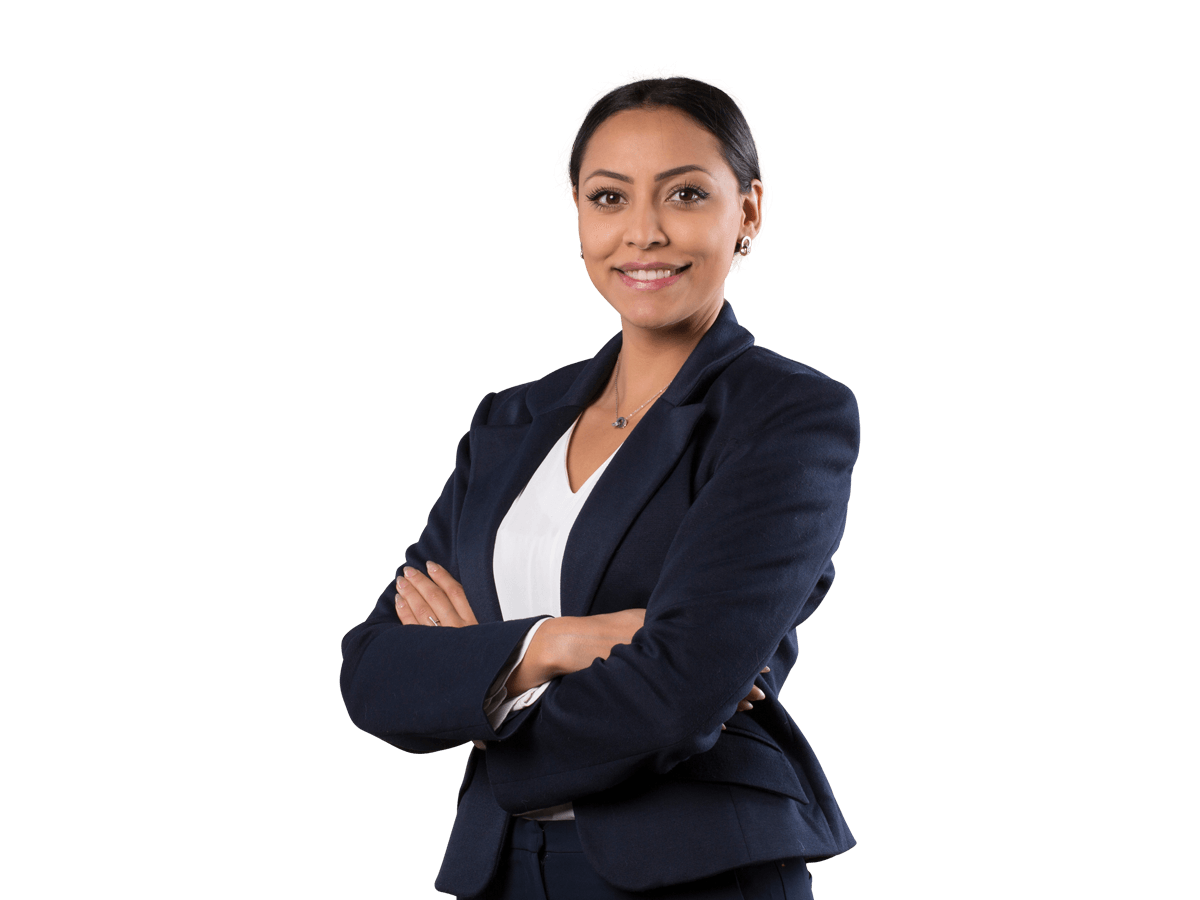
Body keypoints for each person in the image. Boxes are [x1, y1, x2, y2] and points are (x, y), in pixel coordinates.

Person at [340, 69, 859, 899]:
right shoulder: (511, 419)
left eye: (685, 194)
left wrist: (474, 690)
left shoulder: (788, 414)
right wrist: (552, 644)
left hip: (697, 869)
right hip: (496, 868)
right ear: (579, 215)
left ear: (749, 212)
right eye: (609, 198)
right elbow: (372, 670)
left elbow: (681, 693)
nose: (643, 233)